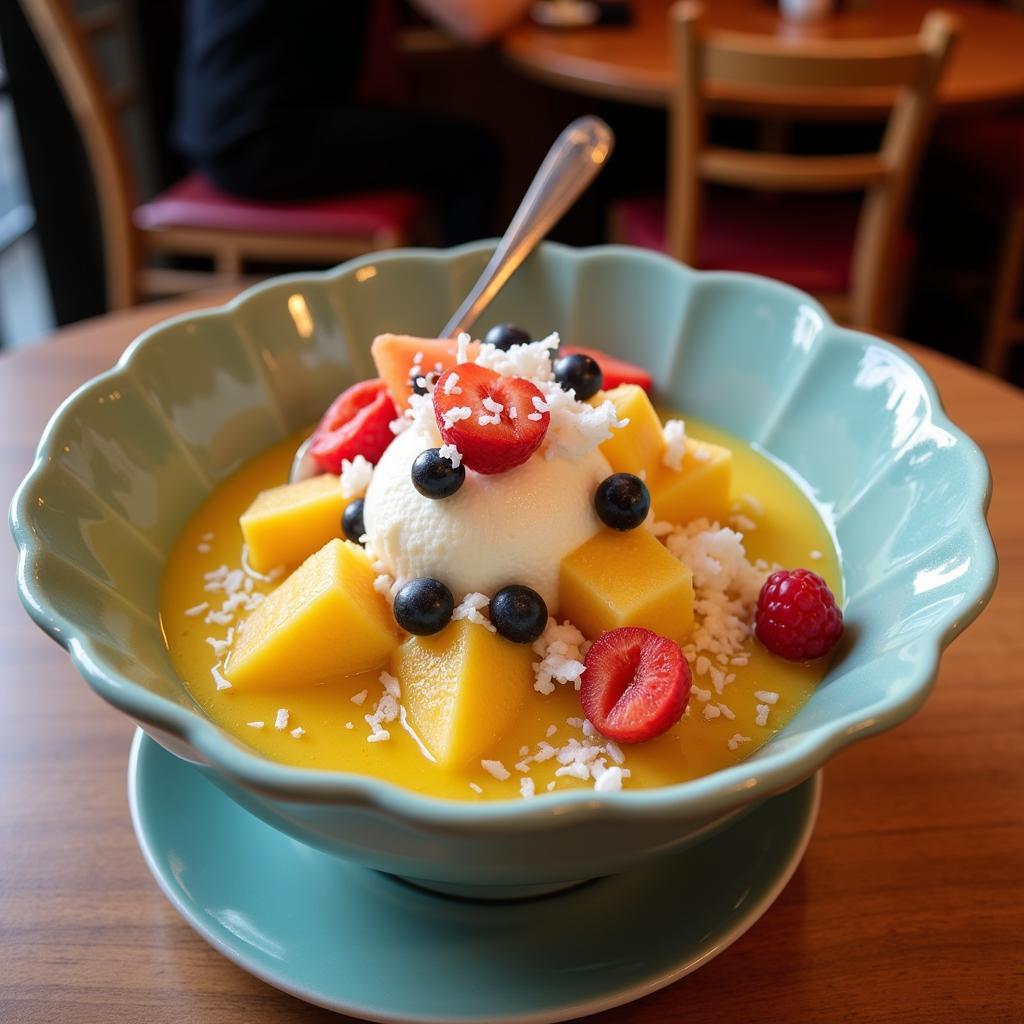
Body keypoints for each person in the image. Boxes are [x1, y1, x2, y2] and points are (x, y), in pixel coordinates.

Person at [174, 0, 531, 245]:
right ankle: (467, 312)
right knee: (474, 153)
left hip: (215, 132)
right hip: (261, 143)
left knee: (455, 145)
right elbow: (478, 20)